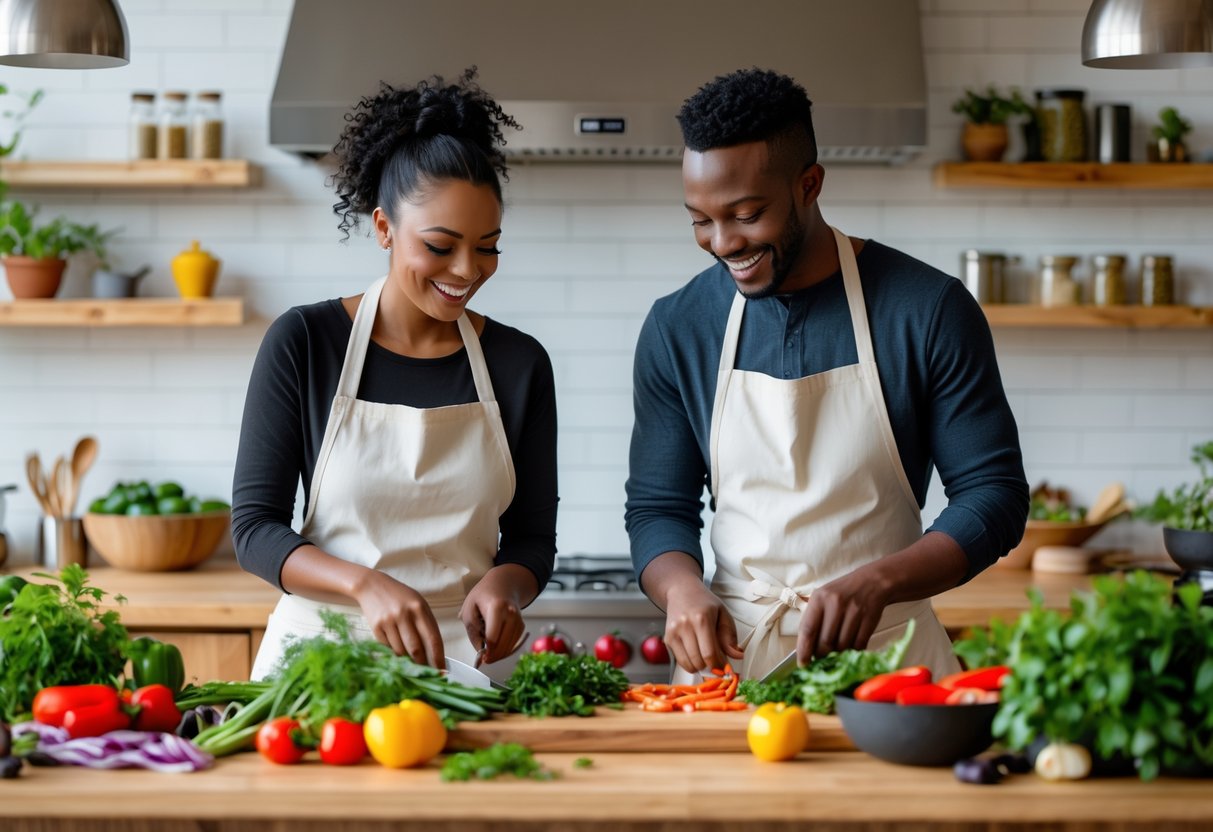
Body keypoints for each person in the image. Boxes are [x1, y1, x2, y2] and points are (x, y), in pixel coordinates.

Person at [625, 68, 1028, 682]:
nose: (722, 241)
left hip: (890, 664)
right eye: (700, 220)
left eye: (746, 214)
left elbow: (993, 495)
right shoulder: (678, 326)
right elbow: (659, 505)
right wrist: (681, 590)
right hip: (730, 670)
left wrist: (879, 581)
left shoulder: (927, 309)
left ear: (808, 185)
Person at [233, 69, 557, 680]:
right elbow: (254, 530)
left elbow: (533, 537)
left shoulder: (519, 364)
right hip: (320, 663)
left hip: (463, 663)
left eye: (488, 246)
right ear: (384, 228)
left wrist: (507, 587)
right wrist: (365, 586)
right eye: (440, 246)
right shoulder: (305, 342)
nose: (468, 269)